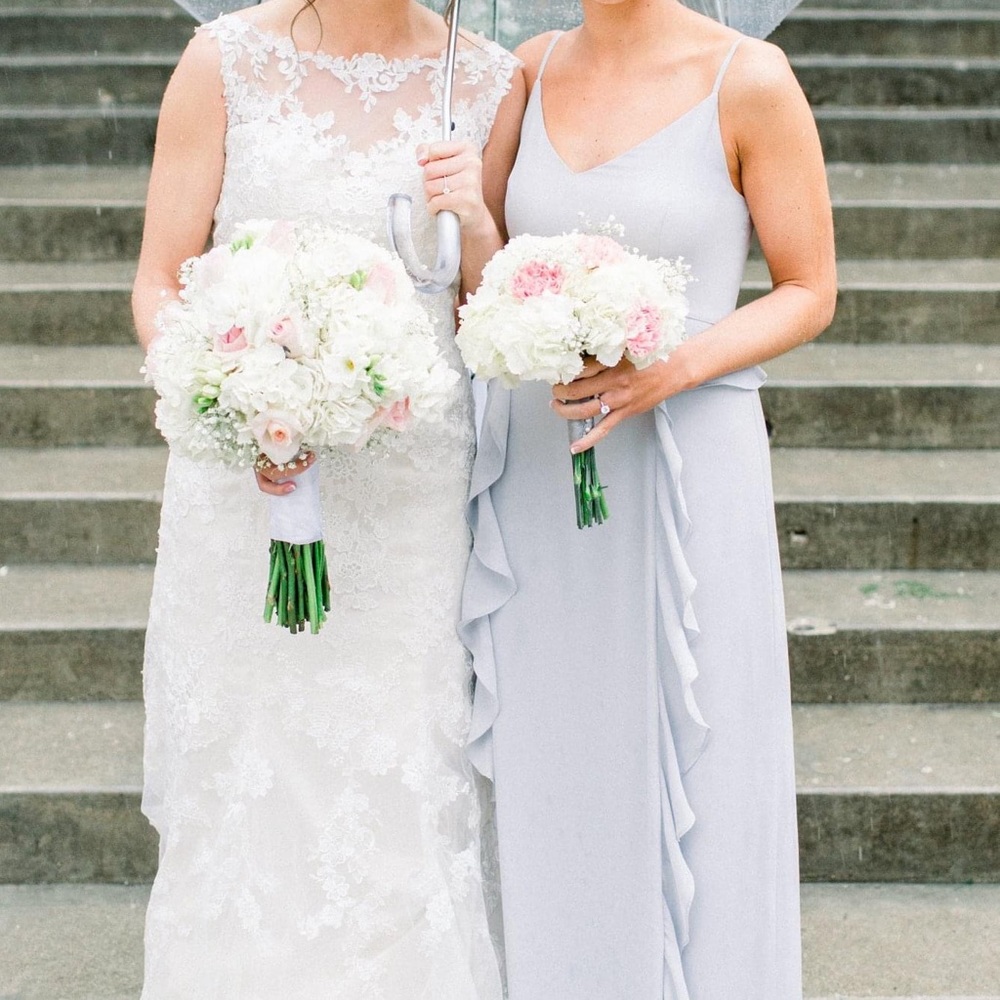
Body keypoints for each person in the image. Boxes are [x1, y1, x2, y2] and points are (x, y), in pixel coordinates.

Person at [131, 0, 524, 995]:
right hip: (241, 485)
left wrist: (476, 220)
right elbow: (158, 280)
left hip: (409, 491)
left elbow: (488, 315)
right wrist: (233, 399)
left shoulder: (486, 83)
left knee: (395, 754)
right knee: (243, 753)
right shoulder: (221, 60)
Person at [461, 0, 837, 997]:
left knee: (696, 738)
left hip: (688, 447)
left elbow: (809, 288)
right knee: (557, 747)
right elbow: (484, 272)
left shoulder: (749, 78)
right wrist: (471, 221)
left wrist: (667, 368)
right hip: (546, 461)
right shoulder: (526, 70)